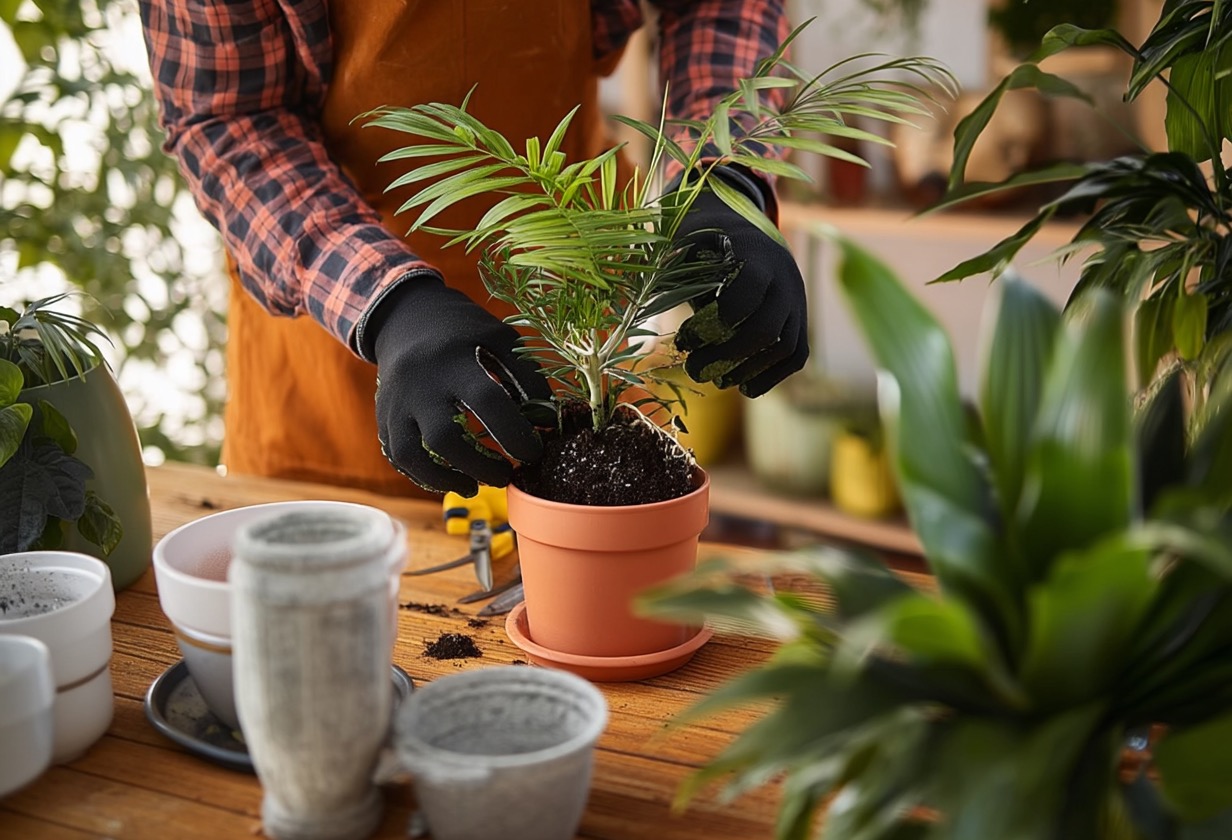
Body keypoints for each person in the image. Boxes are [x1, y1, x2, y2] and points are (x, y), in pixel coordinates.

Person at [139, 0, 809, 498]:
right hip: (340, 354)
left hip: (569, 292)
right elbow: (227, 116)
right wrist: (389, 305)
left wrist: (720, 173)